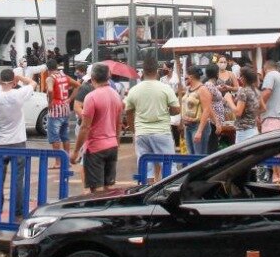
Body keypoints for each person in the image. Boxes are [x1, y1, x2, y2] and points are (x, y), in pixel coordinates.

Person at [0, 68, 35, 216]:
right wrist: (20, 77)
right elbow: (33, 83)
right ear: (13, 81)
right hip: (18, 142)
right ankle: (18, 211)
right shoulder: (19, 94)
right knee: (18, 179)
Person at [71, 63, 124, 193]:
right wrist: (116, 142)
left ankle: (98, 213)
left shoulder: (91, 97)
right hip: (112, 146)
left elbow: (85, 127)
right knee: (109, 187)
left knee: (97, 190)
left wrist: (76, 151)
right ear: (108, 77)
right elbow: (118, 124)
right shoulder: (116, 95)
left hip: (95, 148)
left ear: (92, 78)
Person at [123, 59, 180, 180]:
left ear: (143, 71)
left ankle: (146, 193)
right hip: (162, 133)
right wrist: (165, 110)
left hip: (142, 133)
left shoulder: (134, 90)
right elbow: (176, 110)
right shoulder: (165, 88)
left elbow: (128, 111)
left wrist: (134, 130)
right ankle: (167, 195)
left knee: (146, 169)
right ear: (157, 71)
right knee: (168, 167)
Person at [224, 67, 262, 144]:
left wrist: (229, 99)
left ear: (244, 78)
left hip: (244, 131)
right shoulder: (256, 91)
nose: (239, 78)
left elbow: (238, 113)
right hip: (254, 129)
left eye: (240, 76)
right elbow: (263, 108)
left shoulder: (243, 91)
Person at [42, 59, 72, 152]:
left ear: (47, 68)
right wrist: (70, 99)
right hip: (65, 109)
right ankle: (66, 159)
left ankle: (58, 161)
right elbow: (78, 85)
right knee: (65, 136)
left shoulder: (50, 78)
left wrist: (50, 102)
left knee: (55, 137)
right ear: (57, 66)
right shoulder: (64, 76)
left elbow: (50, 90)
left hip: (55, 111)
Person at [258, 58, 280, 133]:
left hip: (271, 118)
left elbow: (267, 92)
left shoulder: (270, 75)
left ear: (264, 68)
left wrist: (258, 107)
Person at [181, 67, 206, 155]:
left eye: (186, 77)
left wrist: (199, 131)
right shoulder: (189, 89)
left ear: (191, 77)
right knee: (190, 154)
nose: (184, 79)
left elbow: (206, 110)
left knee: (198, 156)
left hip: (198, 126)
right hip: (188, 126)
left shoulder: (202, 89)